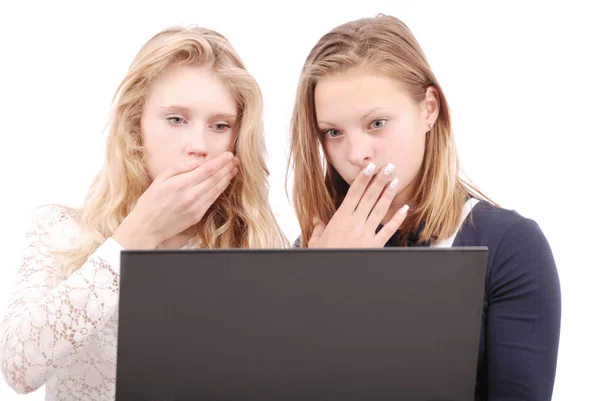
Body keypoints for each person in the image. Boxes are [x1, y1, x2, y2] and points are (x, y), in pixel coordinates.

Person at [0, 25, 287, 400]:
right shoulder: (62, 231)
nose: (198, 145)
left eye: (219, 126)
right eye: (176, 119)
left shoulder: (255, 244)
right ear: (136, 125)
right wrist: (137, 234)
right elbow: (19, 369)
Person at [287, 14, 561, 401]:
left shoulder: (507, 246)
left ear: (429, 108)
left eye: (377, 123)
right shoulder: (314, 247)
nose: (356, 154)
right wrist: (326, 288)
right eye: (333, 132)